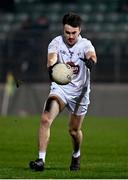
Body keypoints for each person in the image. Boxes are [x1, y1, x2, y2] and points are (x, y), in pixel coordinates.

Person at [29, 12, 97, 171]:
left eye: (74, 32)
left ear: (79, 30)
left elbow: (92, 55)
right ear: (63, 30)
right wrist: (52, 68)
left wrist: (91, 62)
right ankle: (41, 160)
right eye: (67, 32)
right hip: (60, 89)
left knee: (74, 131)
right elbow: (51, 59)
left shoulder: (86, 44)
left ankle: (76, 154)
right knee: (45, 119)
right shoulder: (56, 43)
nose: (71, 36)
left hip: (80, 94)